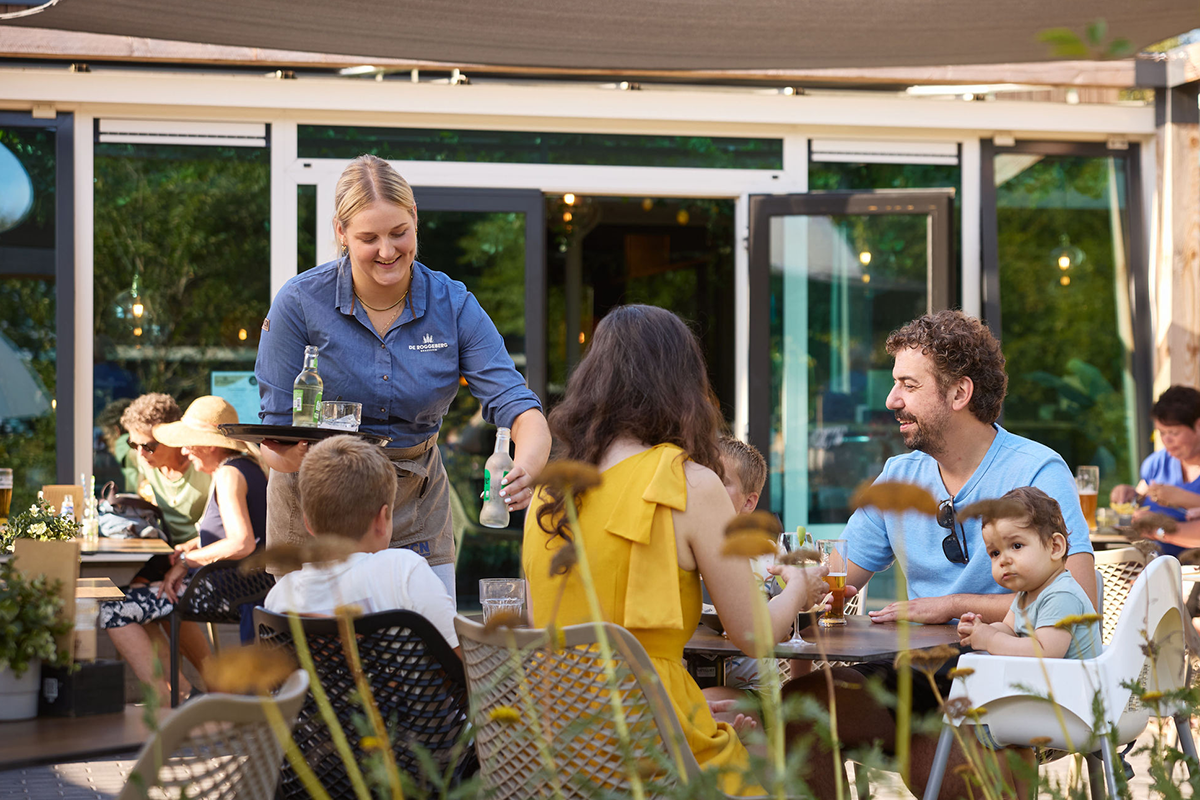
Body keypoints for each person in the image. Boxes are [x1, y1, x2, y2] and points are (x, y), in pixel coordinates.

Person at [783, 309, 1096, 800]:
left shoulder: (1036, 469)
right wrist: (782, 582)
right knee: (799, 710)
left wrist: (953, 606)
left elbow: (1078, 597)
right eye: (895, 384)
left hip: (998, 672)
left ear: (958, 394)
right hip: (912, 671)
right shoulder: (898, 475)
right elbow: (836, 576)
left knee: (940, 759)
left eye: (908, 385)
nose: (891, 400)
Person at [524, 305, 827, 796]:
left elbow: (547, 627)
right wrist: (797, 584)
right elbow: (753, 634)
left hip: (555, 741)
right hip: (648, 742)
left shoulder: (550, 491)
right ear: (683, 386)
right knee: (777, 770)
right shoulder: (688, 482)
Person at [255, 154, 550, 600]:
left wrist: (525, 469)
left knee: (425, 654)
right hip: (316, 507)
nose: (388, 251)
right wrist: (305, 459)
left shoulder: (452, 304)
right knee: (324, 659)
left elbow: (519, 406)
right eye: (369, 238)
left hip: (414, 503)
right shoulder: (299, 303)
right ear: (341, 233)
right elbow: (273, 440)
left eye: (399, 233)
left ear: (415, 218)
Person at [100, 396, 268, 699]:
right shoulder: (243, 468)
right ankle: (185, 694)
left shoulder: (229, 474)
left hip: (226, 586)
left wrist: (187, 561)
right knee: (146, 597)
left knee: (113, 610)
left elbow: (241, 542)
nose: (186, 450)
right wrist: (190, 546)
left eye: (191, 442)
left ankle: (175, 700)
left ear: (211, 445)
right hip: (244, 583)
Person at [957, 486, 1101, 799]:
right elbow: (1008, 631)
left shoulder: (1061, 595)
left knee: (972, 722)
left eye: (1016, 546)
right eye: (994, 553)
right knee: (979, 719)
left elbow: (1043, 652)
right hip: (1052, 698)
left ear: (1055, 547)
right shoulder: (1026, 596)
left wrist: (990, 639)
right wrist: (983, 629)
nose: (1003, 560)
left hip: (1076, 708)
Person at [264, 435, 459, 652]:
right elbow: (460, 661)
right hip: (404, 687)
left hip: (321, 687)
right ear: (382, 519)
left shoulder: (281, 595)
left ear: (308, 524)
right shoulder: (404, 571)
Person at [1110, 385, 1200, 554]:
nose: (1167, 440)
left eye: (1173, 433)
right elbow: (1141, 498)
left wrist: (1180, 499)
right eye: (1161, 432)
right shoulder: (1157, 463)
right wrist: (1129, 495)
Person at [120, 393, 211, 546]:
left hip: (203, 551)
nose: (140, 453)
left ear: (172, 438)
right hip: (162, 547)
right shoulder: (144, 461)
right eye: (133, 445)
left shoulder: (202, 465)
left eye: (148, 446)